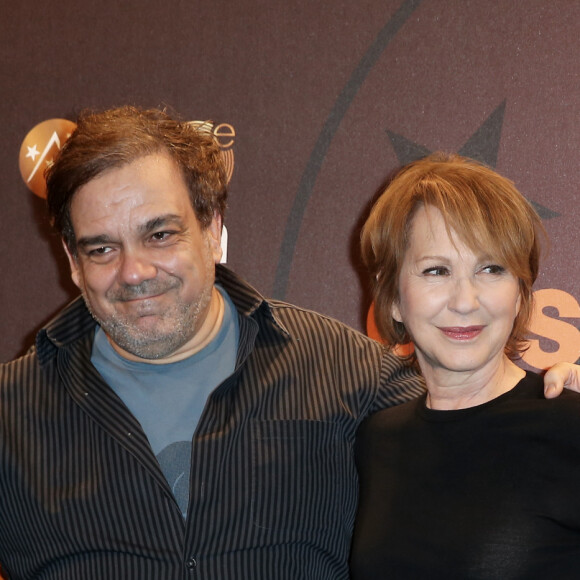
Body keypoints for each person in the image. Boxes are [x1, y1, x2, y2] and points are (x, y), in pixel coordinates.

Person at [0, 109, 575, 580]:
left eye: (160, 234)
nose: (134, 271)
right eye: (102, 249)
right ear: (73, 264)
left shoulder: (349, 373)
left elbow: (475, 413)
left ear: (212, 230)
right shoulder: (10, 412)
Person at [350, 153, 580, 579]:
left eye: (490, 269)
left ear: (519, 292)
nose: (464, 301)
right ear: (394, 297)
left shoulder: (569, 425)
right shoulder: (378, 439)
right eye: (436, 270)